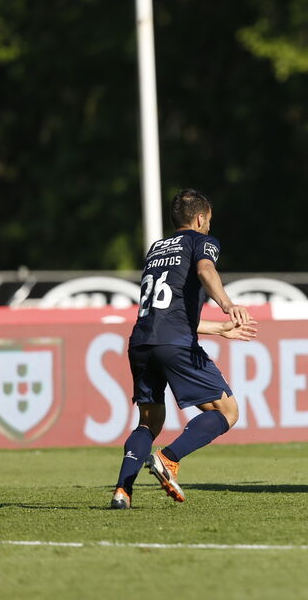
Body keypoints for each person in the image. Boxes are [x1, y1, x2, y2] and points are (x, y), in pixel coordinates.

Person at [110, 189, 255, 509]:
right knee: (227, 412)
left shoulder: (156, 249)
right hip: (175, 344)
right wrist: (228, 305)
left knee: (149, 422)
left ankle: (122, 491)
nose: (209, 226)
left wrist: (219, 329)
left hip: (142, 341)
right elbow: (205, 271)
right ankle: (168, 458)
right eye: (209, 221)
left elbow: (167, 313)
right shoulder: (202, 241)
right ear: (201, 218)